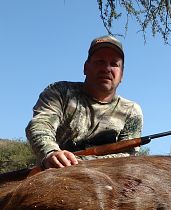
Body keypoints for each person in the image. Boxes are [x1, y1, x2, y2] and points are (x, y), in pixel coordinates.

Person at [26, 35, 143, 169]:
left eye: (114, 64)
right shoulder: (60, 92)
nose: (106, 69)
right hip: (57, 172)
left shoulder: (131, 111)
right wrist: (50, 152)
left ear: (121, 75)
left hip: (107, 176)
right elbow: (41, 124)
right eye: (100, 62)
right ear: (85, 67)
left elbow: (127, 156)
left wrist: (80, 161)